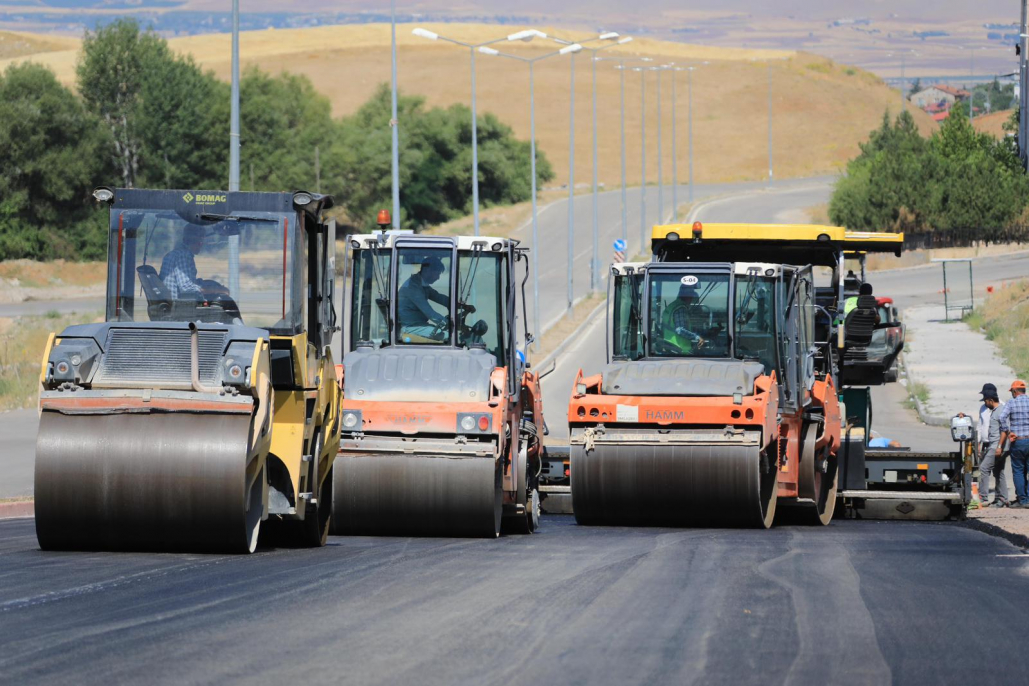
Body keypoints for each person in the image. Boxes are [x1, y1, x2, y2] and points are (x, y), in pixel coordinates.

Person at [159, 225, 228, 300]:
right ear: (195, 242)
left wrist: (207, 285)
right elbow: (186, 287)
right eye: (200, 242)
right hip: (178, 305)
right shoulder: (183, 256)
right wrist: (215, 290)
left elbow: (187, 282)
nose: (201, 245)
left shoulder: (175, 254)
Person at [398, 256, 449, 340]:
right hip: (410, 327)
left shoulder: (421, 284)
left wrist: (458, 304)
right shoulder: (413, 288)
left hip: (419, 325)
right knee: (449, 336)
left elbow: (437, 296)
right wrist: (449, 323)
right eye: (437, 274)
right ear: (427, 270)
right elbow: (429, 312)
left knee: (447, 333)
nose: (438, 278)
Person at [996, 379, 1029, 508]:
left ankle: (1023, 500)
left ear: (1015, 391)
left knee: (1018, 471)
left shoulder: (1011, 403)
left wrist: (1008, 432)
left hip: (1018, 441)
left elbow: (1002, 417)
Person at [978, 385, 1010, 507]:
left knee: (983, 468)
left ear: (991, 400)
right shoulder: (996, 410)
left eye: (986, 401)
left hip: (996, 446)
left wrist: (999, 446)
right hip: (995, 445)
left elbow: (1004, 430)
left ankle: (983, 497)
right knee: (998, 471)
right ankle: (1003, 498)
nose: (985, 403)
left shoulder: (1001, 411)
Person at [661, 284, 707, 354]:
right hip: (680, 350)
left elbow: (671, 325)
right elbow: (680, 330)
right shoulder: (681, 308)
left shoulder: (672, 306)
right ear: (688, 296)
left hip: (669, 345)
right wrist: (697, 337)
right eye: (692, 295)